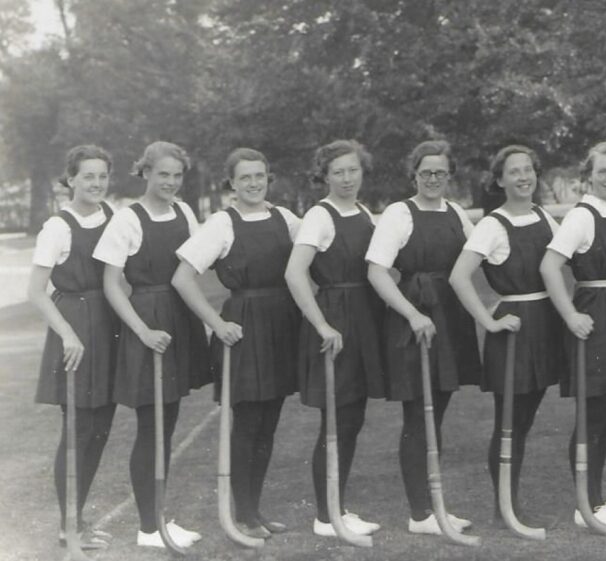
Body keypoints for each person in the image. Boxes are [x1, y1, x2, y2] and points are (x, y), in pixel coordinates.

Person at [172, 148, 301, 537]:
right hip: (242, 326)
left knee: (270, 422)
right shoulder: (220, 224)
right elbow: (181, 278)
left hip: (282, 323)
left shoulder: (286, 219)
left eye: (259, 176)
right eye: (245, 177)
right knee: (248, 420)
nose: (253, 183)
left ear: (268, 177)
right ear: (232, 182)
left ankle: (254, 511)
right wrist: (216, 324)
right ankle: (243, 515)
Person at [93, 141, 210, 548]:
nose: (171, 183)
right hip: (147, 323)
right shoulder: (127, 220)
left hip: (179, 320)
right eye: (163, 174)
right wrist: (143, 332)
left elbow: (197, 264)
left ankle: (158, 518)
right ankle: (148, 528)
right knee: (152, 427)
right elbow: (111, 284)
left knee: (168, 422)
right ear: (144, 172)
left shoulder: (185, 212)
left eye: (177, 176)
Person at [365, 139, 480, 535]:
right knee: (419, 416)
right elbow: (377, 272)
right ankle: (420, 514)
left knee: (438, 413)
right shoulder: (399, 213)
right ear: (413, 174)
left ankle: (434, 508)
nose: (433, 179)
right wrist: (413, 314)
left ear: (449, 176)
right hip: (412, 319)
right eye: (426, 172)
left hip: (450, 318)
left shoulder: (457, 213)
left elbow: (480, 256)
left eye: (440, 173)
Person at [449, 145, 563, 526]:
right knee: (509, 422)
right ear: (500, 180)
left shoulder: (545, 215)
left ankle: (509, 502)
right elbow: (459, 277)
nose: (523, 177)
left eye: (528, 170)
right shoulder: (492, 225)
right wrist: (489, 320)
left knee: (526, 419)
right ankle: (504, 507)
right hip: (514, 328)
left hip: (546, 323)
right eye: (514, 172)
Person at [539, 140, 606, 529]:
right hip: (595, 319)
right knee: (592, 415)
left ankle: (596, 500)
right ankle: (586, 504)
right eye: (603, 172)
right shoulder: (582, 217)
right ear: (589, 176)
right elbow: (551, 266)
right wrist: (569, 314)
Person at [284, 140, 385, 537]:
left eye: (353, 170)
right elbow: (295, 273)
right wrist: (322, 324)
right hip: (336, 321)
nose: (347, 178)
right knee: (337, 420)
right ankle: (326, 517)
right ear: (324, 176)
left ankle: (337, 507)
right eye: (338, 172)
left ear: (363, 172)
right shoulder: (319, 216)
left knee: (352, 418)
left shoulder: (362, 212)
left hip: (364, 317)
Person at [29, 145, 118, 550]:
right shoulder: (58, 227)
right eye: (88, 176)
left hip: (109, 325)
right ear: (70, 180)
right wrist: (67, 333)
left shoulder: (115, 218)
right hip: (76, 328)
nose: (96, 183)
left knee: (101, 428)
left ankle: (77, 519)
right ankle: (69, 525)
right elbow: (35, 291)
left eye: (102, 176)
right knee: (78, 429)